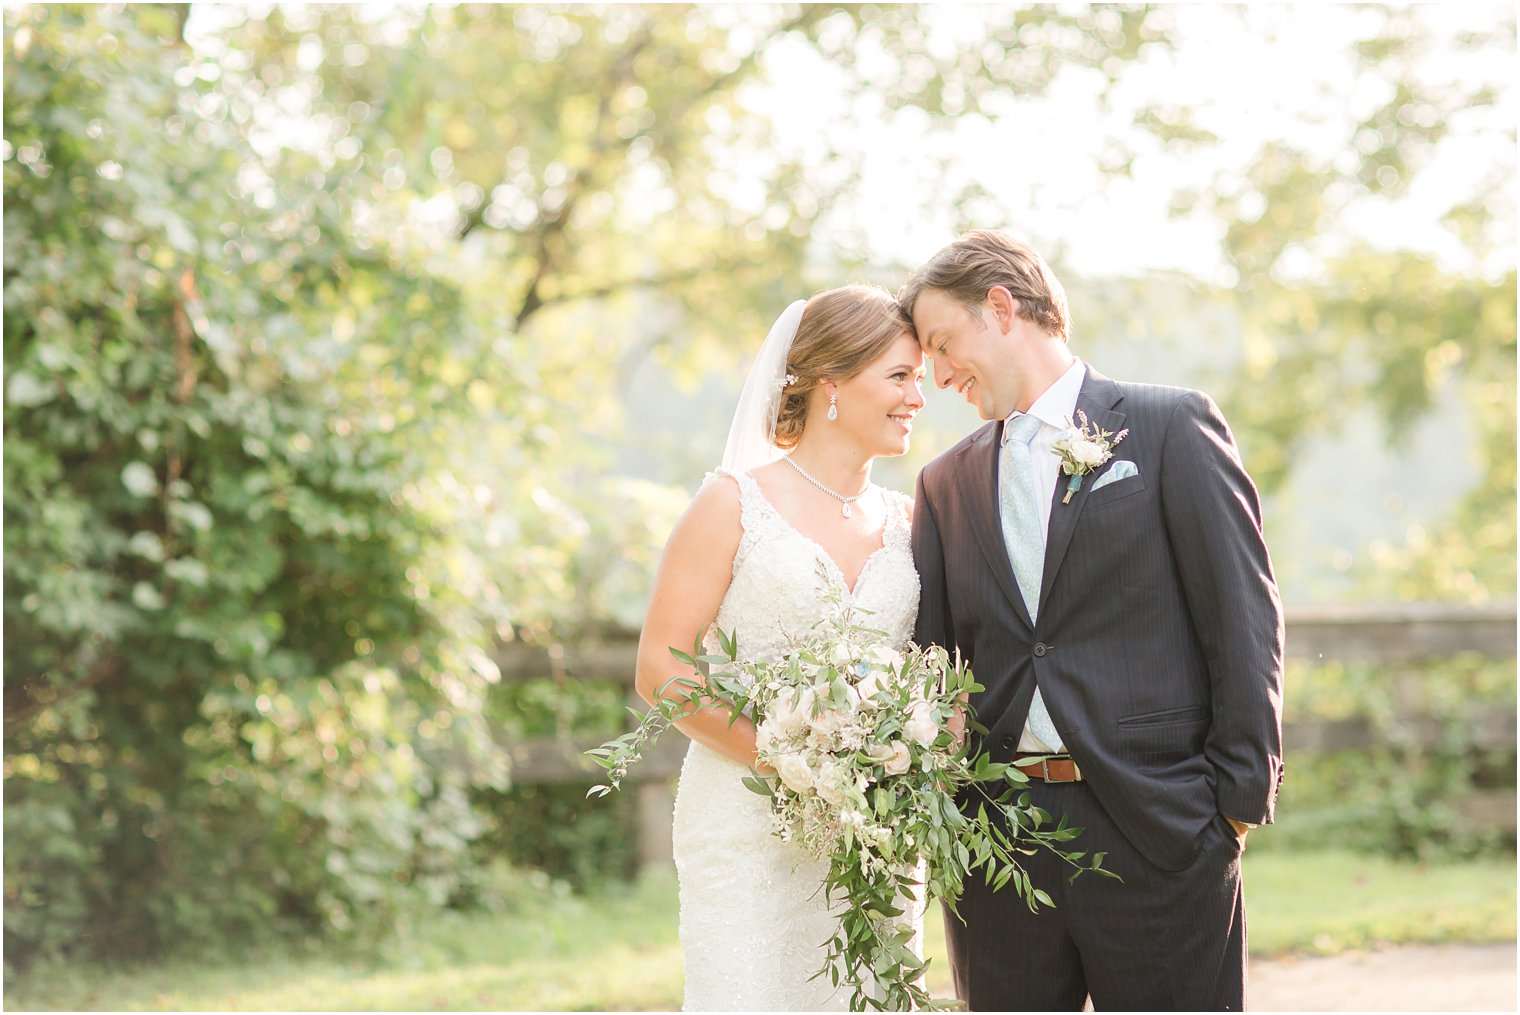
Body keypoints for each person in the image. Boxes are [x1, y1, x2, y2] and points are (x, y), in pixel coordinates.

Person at [902, 230, 1285, 1011]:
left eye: (943, 345)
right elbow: (932, 666)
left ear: (1002, 308)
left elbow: (1242, 620)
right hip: (998, 845)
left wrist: (1236, 804)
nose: (937, 376)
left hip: (1157, 828)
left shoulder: (1170, 427)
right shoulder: (944, 485)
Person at [633, 284, 928, 1011]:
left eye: (919, 377)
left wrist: (906, 747)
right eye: (898, 376)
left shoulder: (913, 520)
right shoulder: (732, 503)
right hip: (748, 824)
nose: (918, 395)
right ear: (832, 382)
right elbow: (660, 668)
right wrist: (795, 765)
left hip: (875, 834)